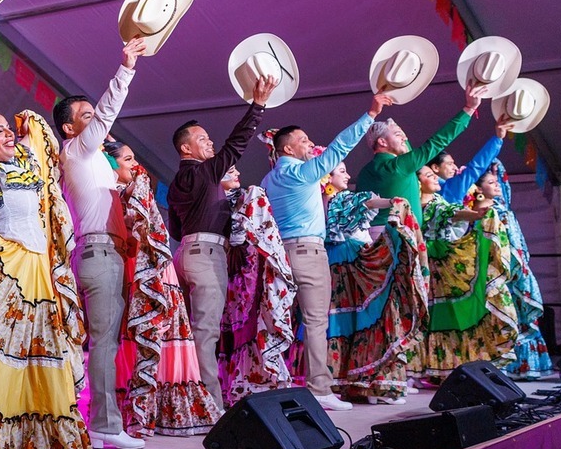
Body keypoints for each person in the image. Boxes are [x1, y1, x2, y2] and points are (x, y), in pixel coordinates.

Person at [0, 110, 94, 449]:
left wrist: (27, 121)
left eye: (9, 130)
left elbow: (39, 139)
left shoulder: (27, 164)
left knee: (40, 358)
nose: (9, 135)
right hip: (7, 271)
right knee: (4, 360)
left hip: (39, 273)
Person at [52, 36, 156, 449]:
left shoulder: (97, 161)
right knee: (104, 341)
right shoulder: (77, 149)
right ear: (69, 127)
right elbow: (108, 111)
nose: (97, 121)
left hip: (107, 252)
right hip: (97, 252)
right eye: (87, 116)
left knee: (106, 340)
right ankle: (105, 425)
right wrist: (127, 67)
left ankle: (106, 421)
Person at [259, 94, 393, 412]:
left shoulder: (268, 178)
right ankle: (319, 387)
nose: (309, 145)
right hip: (308, 252)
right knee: (317, 322)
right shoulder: (301, 173)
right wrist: (370, 114)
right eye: (303, 141)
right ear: (287, 149)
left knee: (277, 321)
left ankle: (271, 381)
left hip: (280, 255)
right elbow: (338, 148)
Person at [167, 78, 277, 406]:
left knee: (185, 333)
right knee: (205, 333)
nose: (210, 143)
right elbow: (235, 145)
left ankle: (183, 398)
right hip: (206, 256)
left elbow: (175, 229)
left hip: (185, 253)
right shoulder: (203, 173)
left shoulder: (177, 183)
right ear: (186, 148)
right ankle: (209, 404)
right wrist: (257, 106)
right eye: (202, 139)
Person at [115, 156, 216, 437]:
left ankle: (168, 407)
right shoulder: (111, 193)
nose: (136, 163)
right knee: (139, 334)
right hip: (135, 265)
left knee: (169, 328)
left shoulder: (139, 189)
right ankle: (139, 407)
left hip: (158, 267)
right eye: (127, 159)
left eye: (136, 157)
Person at [321, 161, 431, 403]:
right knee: (370, 314)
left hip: (340, 259)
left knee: (347, 320)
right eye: (341, 171)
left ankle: (358, 384)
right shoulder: (338, 200)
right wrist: (392, 202)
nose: (348, 174)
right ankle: (370, 383)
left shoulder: (328, 201)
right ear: (326, 178)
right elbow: (365, 201)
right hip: (349, 260)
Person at [418, 165, 518, 380]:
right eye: (429, 176)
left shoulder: (435, 202)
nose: (435, 178)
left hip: (442, 261)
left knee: (453, 312)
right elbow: (451, 214)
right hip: (436, 263)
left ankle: (457, 366)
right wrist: (474, 214)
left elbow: (452, 214)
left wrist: (475, 215)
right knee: (443, 313)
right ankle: (441, 368)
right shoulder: (426, 206)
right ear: (418, 183)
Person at [217, 167, 298, 405]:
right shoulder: (213, 200)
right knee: (226, 321)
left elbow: (260, 232)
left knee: (249, 319)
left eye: (235, 169)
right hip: (224, 265)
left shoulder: (250, 195)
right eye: (229, 170)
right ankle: (230, 382)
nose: (237, 173)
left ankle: (254, 380)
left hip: (248, 267)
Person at [354, 82, 489, 222]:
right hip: (397, 238)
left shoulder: (364, 172)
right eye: (398, 134)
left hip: (371, 238)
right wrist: (469, 108)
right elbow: (436, 142)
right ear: (382, 142)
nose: (405, 138)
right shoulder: (398, 166)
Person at [476, 162, 552, 379]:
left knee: (520, 314)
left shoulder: (503, 207)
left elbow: (504, 181)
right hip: (499, 269)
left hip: (517, 268)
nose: (497, 185)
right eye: (491, 183)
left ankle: (525, 366)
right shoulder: (483, 212)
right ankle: (504, 365)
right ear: (479, 189)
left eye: (496, 181)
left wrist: (494, 162)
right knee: (503, 316)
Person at [429, 121, 512, 205]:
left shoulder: (421, 188)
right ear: (435, 168)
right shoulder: (449, 189)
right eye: (450, 164)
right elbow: (476, 167)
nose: (455, 167)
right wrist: (498, 139)